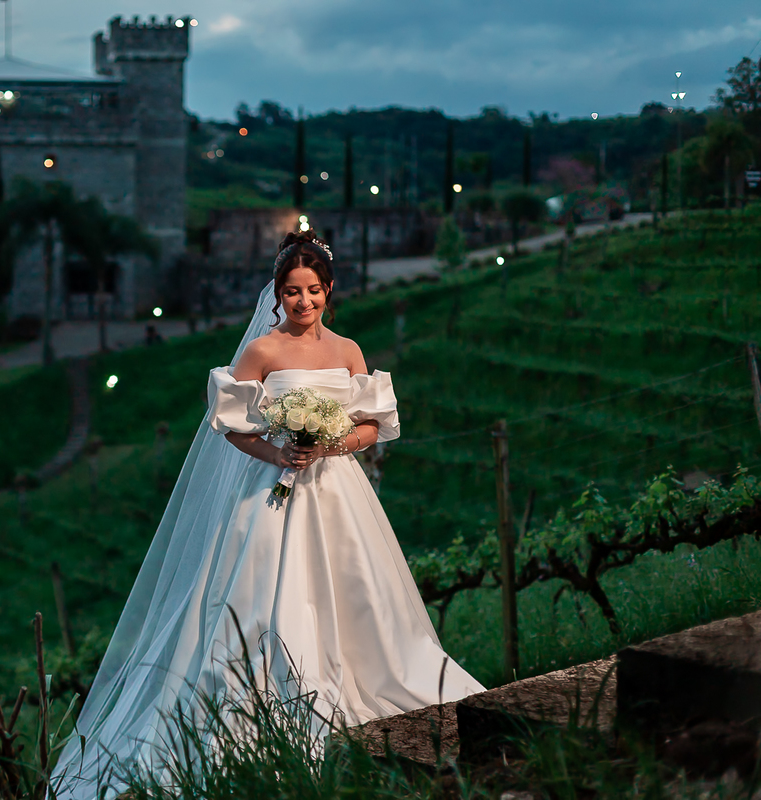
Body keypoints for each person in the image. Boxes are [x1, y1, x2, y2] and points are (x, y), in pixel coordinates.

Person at [51, 230, 485, 798]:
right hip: (271, 489)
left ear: (329, 290)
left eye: (313, 290)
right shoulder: (261, 351)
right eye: (291, 291)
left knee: (356, 588)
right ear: (276, 295)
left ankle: (364, 679)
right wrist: (279, 451)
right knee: (264, 593)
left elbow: (373, 425)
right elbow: (231, 426)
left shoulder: (348, 351)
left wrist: (330, 445)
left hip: (337, 489)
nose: (302, 302)